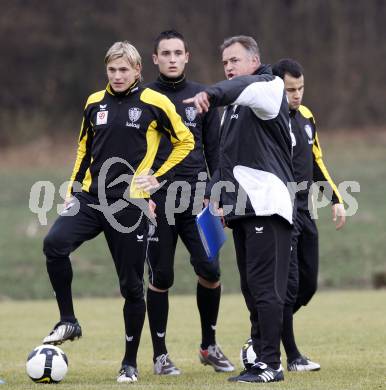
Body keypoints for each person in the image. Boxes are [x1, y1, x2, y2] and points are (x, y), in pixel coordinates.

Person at [41, 41, 194, 383]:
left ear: (138, 70)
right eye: (112, 70)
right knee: (54, 244)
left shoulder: (156, 102)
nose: (118, 76)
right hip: (92, 199)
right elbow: (84, 147)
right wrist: (72, 188)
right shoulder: (94, 103)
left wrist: (158, 176)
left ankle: (129, 362)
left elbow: (185, 141)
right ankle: (68, 319)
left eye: (124, 69)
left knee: (131, 287)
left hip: (131, 204)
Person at [185, 35, 295, 383]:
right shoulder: (233, 108)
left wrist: (212, 93)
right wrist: (216, 196)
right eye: (225, 63)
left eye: (235, 60)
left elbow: (244, 86)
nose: (229, 67)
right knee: (251, 289)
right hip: (243, 210)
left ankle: (270, 364)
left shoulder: (269, 86)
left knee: (265, 289)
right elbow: (228, 159)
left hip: (266, 207)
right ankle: (259, 358)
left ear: (253, 60)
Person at [144, 30, 234, 375]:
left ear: (187, 56)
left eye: (177, 52)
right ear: (154, 59)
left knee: (211, 271)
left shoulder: (202, 96)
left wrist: (217, 195)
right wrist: (142, 196)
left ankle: (208, 346)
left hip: (198, 199)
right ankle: (160, 355)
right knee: (161, 276)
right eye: (164, 52)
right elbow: (136, 153)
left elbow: (216, 152)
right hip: (157, 202)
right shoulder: (145, 97)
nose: (171, 58)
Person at [272, 58, 346, 371]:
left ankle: (266, 330)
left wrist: (336, 199)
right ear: (277, 88)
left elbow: (316, 161)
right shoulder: (268, 119)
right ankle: (291, 355)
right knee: (287, 286)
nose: (297, 94)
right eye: (291, 89)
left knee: (308, 284)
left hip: (304, 208)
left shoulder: (306, 117)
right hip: (279, 209)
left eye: (301, 88)